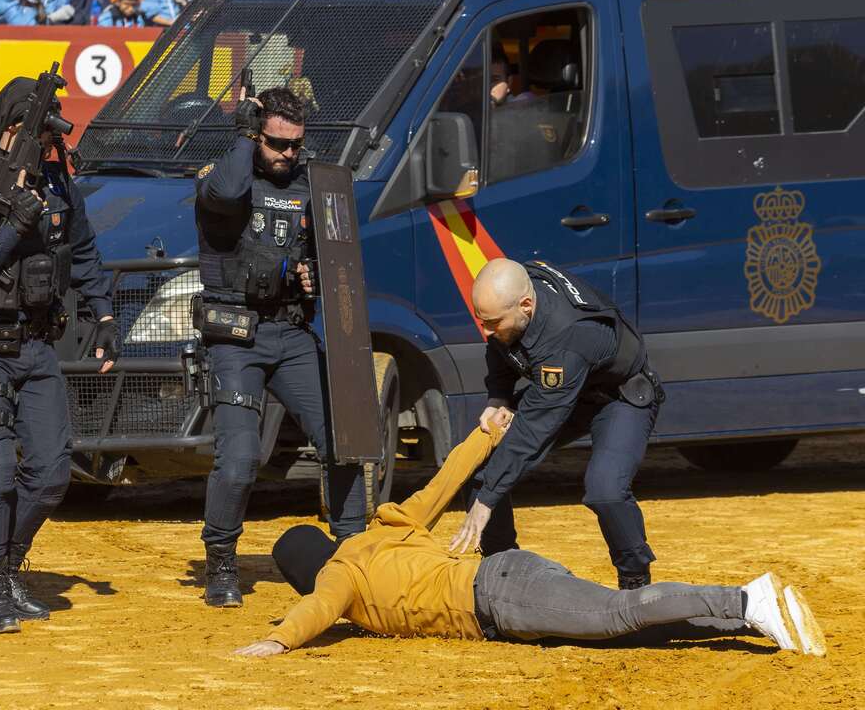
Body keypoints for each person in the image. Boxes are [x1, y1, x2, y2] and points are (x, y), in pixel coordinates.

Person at [232, 425, 827, 658]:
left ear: (306, 571)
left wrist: (276, 642)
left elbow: (315, 609)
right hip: (509, 573)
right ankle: (745, 622)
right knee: (623, 629)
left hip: (500, 601)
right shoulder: (387, 525)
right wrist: (486, 432)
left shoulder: (341, 577)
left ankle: (746, 601)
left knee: (620, 613)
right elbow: (447, 480)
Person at [0, 76, 118, 633]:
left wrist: (104, 316)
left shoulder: (57, 185)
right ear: (4, 130)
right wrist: (15, 223)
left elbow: (82, 251)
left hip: (37, 347)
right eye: (27, 130)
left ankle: (7, 566)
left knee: (52, 473)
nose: (38, 143)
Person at [192, 87, 367, 608]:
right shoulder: (227, 175)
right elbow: (223, 194)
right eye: (276, 143)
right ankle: (221, 562)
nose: (288, 154)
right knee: (241, 457)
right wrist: (246, 137)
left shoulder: (312, 185)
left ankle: (353, 550)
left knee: (344, 435)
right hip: (236, 338)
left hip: (290, 333)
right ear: (254, 134)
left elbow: (337, 252)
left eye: (296, 145)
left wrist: (316, 275)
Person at [450, 258, 663, 590]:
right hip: (566, 390)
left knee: (605, 490)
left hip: (618, 397)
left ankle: (635, 581)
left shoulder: (566, 337)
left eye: (494, 322)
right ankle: (502, 574)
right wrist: (499, 396)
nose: (487, 332)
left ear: (526, 304)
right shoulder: (518, 296)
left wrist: (486, 500)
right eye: (483, 321)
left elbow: (531, 433)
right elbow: (503, 346)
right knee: (482, 466)